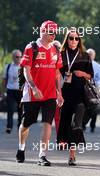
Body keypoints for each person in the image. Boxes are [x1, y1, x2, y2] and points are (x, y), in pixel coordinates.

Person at [16, 20, 64, 166]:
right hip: (32, 94)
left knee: (47, 124)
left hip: (50, 95)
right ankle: (21, 148)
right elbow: (26, 70)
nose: (54, 35)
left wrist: (59, 93)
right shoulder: (32, 47)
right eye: (51, 32)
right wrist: (34, 87)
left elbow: (57, 73)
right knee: (26, 124)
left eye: (55, 32)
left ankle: (42, 155)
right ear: (42, 32)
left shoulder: (56, 49)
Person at [57, 29, 93, 166]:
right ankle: (68, 148)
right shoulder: (60, 55)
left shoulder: (85, 55)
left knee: (75, 124)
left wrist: (82, 73)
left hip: (80, 94)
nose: (73, 41)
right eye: (71, 38)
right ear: (67, 39)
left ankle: (72, 155)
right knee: (65, 123)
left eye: (76, 38)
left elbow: (91, 75)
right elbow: (55, 74)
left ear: (79, 40)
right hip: (65, 94)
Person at [82, 48, 100, 133]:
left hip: (93, 90)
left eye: (91, 54)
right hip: (83, 89)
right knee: (83, 107)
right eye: (88, 54)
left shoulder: (97, 66)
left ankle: (92, 126)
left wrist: (95, 85)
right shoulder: (81, 64)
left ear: (94, 56)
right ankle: (82, 125)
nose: (90, 55)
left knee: (94, 109)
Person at [2, 50, 23, 134]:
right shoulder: (8, 67)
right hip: (10, 91)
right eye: (17, 57)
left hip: (20, 91)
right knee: (10, 109)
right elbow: (4, 80)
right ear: (13, 57)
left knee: (20, 110)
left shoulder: (24, 67)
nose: (18, 59)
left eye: (20, 57)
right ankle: (9, 126)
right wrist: (2, 92)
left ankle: (19, 127)